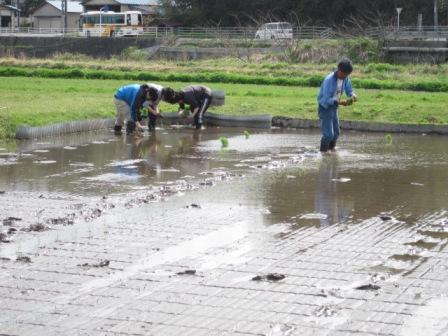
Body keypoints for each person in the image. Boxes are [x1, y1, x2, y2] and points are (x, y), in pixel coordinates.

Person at [317, 59, 357, 153]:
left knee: (336, 133)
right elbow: (325, 99)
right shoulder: (329, 80)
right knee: (328, 135)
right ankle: (322, 153)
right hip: (325, 108)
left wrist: (352, 95)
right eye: (343, 74)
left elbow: (349, 90)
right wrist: (340, 102)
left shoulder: (345, 78)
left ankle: (331, 150)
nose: (344, 77)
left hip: (334, 108)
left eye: (347, 75)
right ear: (338, 70)